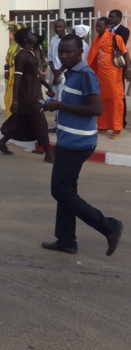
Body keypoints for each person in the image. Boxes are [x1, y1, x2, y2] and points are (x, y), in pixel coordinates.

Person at [41, 34, 124, 256]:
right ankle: (66, 240)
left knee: (61, 191)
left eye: (68, 51)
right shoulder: (69, 73)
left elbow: (96, 109)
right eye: (61, 51)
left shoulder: (86, 75)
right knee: (67, 192)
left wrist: (60, 105)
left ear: (80, 52)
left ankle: (109, 226)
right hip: (68, 140)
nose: (63, 55)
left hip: (78, 143)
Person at [0, 27, 55, 162]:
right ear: (25, 39)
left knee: (20, 121)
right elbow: (17, 79)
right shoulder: (22, 56)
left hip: (33, 95)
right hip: (29, 97)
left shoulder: (31, 53)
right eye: (31, 34)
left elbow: (37, 75)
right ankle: (48, 155)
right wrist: (15, 101)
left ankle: (2, 142)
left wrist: (48, 87)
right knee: (41, 124)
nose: (34, 36)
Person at [86, 17, 130, 138]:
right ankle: (103, 125)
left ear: (107, 27)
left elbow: (125, 53)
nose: (97, 28)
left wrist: (129, 70)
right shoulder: (96, 38)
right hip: (99, 74)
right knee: (102, 100)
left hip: (113, 75)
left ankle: (117, 127)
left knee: (115, 100)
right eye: (96, 26)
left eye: (100, 26)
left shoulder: (115, 37)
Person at [4, 24, 24, 112]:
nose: (14, 33)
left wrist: (9, 65)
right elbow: (7, 58)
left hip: (19, 76)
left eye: (16, 31)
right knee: (8, 98)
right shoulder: (13, 45)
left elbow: (20, 60)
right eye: (13, 31)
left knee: (16, 99)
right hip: (10, 76)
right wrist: (6, 70)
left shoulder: (23, 45)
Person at [47, 19, 67, 97]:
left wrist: (59, 73)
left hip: (65, 74)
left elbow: (71, 58)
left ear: (65, 27)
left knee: (63, 97)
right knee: (54, 96)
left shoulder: (69, 39)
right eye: (56, 27)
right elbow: (50, 57)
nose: (57, 29)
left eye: (60, 27)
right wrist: (54, 70)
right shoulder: (53, 39)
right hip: (54, 73)